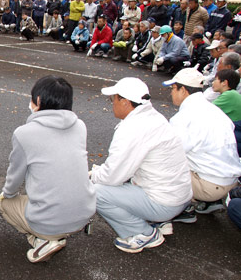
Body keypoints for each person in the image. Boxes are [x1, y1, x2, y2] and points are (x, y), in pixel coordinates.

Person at [0, 76, 95, 263]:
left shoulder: (24, 133)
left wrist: (7, 195)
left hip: (49, 220)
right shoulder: (80, 126)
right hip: (84, 213)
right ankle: (50, 236)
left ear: (39, 101)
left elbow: (14, 178)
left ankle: (42, 240)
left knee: (4, 202)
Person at [90, 77, 191, 253]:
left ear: (125, 102)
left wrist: (92, 177)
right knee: (118, 183)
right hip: (179, 196)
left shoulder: (132, 128)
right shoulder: (153, 117)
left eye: (113, 99)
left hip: (164, 202)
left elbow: (113, 176)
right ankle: (157, 221)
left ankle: (142, 233)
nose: (112, 103)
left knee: (96, 192)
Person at [164, 69, 241, 222]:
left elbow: (171, 153)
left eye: (173, 89)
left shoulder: (184, 117)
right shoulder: (213, 110)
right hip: (230, 181)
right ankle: (209, 201)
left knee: (157, 165)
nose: (171, 93)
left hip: (209, 185)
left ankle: (183, 207)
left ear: (183, 90)